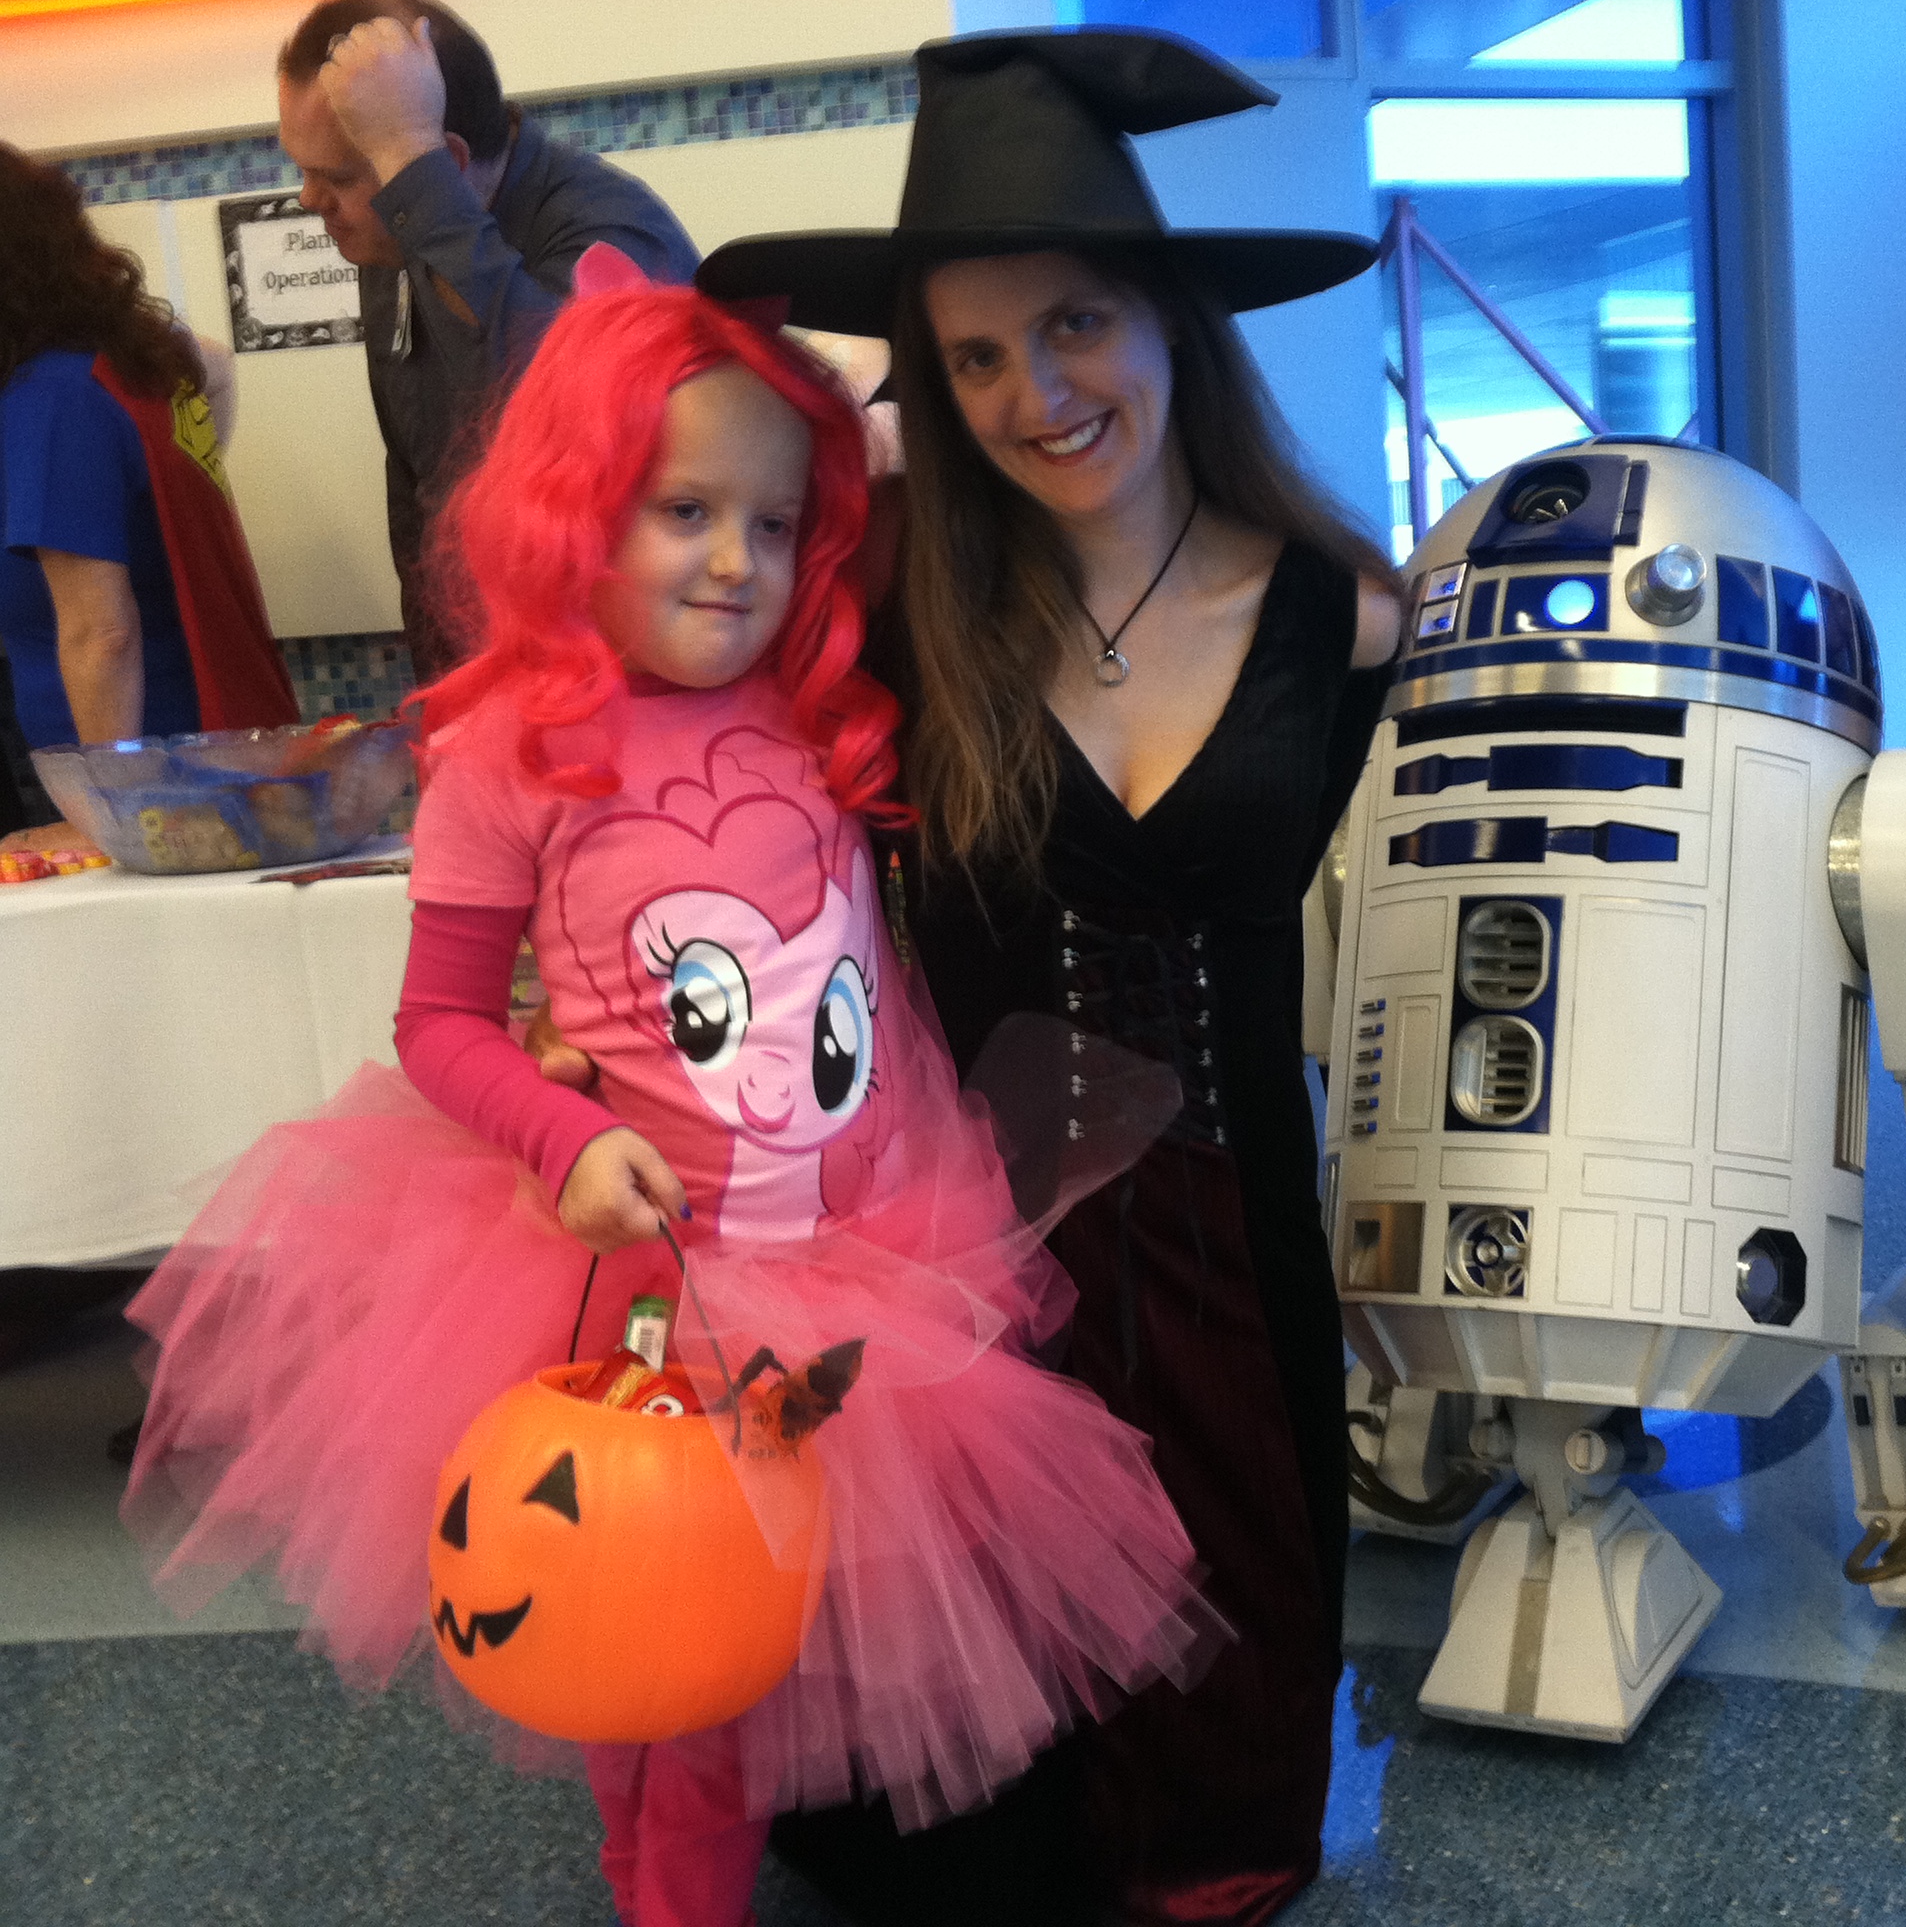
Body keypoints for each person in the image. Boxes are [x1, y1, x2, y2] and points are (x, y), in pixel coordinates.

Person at [121, 264, 1211, 1927]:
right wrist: (567, 1130)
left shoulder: (814, 712)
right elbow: (440, 1025)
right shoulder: (513, 753)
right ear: (575, 513)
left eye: (773, 524)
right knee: (663, 1647)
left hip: (862, 1272)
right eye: (681, 510)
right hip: (650, 1293)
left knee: (759, 1647)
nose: (732, 562)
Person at [696, 28, 1401, 1927]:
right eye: (977, 358)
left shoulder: (1347, 617)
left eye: (1075, 323)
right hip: (967, 1244)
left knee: (1227, 1712)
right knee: (979, 1805)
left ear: (1170, 318)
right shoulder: (893, 614)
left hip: (1239, 1227)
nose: (1037, 393)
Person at [276, 0, 698, 681]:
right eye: (302, 170)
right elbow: (421, 496)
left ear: (441, 160)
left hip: (611, 684)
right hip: (483, 681)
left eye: (337, 177)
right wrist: (442, 701)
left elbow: (550, 416)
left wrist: (411, 168)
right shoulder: (400, 233)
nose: (308, 200)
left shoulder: (616, 234)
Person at [0, 143, 297, 766]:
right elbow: (216, 362)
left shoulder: (51, 399)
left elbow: (102, 635)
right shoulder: (127, 356)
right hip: (215, 737)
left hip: (157, 773)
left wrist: (118, 799)